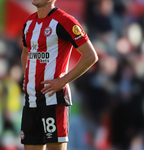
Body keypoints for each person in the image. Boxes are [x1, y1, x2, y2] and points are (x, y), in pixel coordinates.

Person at [20, 0, 98, 150]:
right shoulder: (29, 22)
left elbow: (90, 56)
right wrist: (27, 77)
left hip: (54, 100)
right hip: (31, 101)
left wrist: (63, 81)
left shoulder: (65, 21)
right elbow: (25, 53)